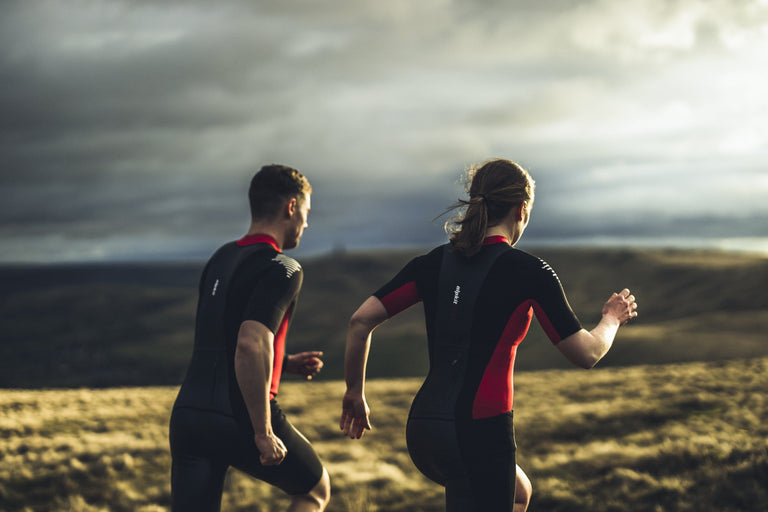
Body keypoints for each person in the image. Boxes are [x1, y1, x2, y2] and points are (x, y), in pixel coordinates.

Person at [339, 158, 638, 512]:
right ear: (521, 209)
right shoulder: (530, 271)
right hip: (480, 433)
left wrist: (355, 392)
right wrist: (611, 319)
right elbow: (586, 353)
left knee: (517, 494)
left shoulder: (432, 263)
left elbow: (360, 322)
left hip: (425, 430)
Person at [170, 164, 331, 512]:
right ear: (291, 206)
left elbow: (221, 340)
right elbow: (249, 343)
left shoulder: (220, 259)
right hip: (238, 414)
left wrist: (283, 364)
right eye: (305, 212)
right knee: (314, 490)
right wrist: (262, 430)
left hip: (189, 415)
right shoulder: (283, 267)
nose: (306, 223)